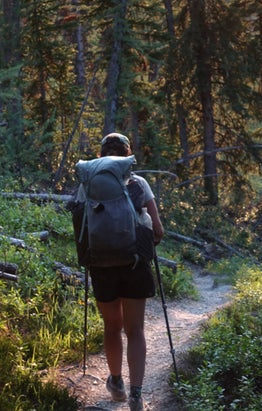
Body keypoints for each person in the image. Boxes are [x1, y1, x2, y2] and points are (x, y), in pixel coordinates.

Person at [86, 133, 164, 411]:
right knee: (135, 330)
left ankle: (116, 382)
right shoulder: (139, 183)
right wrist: (148, 242)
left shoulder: (90, 184)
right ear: (128, 156)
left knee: (112, 326)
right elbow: (158, 230)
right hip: (134, 265)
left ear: (102, 156)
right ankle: (136, 395)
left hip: (101, 266)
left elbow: (80, 226)